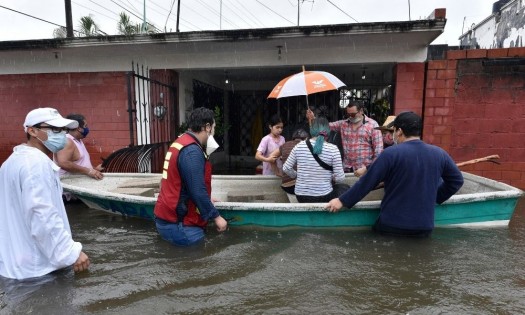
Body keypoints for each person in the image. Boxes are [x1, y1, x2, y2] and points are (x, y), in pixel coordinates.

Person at [326, 111, 464, 237]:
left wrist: (342, 201)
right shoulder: (439, 153)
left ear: (399, 132)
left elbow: (367, 182)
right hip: (424, 226)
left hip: (393, 224)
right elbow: (457, 181)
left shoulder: (391, 154)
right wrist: (436, 197)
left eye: (393, 131)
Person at [0, 107, 90, 280]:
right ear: (32, 131)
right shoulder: (35, 165)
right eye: (55, 130)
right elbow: (41, 214)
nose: (62, 135)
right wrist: (70, 252)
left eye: (64, 130)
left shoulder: (12, 162)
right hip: (37, 270)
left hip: (14, 265)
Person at [154, 107, 227, 247]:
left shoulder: (180, 142)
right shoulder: (192, 151)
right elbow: (197, 190)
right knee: (196, 263)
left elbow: (170, 181)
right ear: (207, 127)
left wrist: (206, 197)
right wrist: (217, 217)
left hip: (166, 219)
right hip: (181, 226)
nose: (214, 131)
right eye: (213, 127)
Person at [307, 101, 383, 175]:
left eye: (353, 114)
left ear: (361, 111)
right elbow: (326, 126)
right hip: (347, 169)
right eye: (348, 114)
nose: (350, 117)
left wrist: (369, 168)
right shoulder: (344, 124)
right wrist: (313, 118)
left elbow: (378, 151)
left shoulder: (373, 125)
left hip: (364, 170)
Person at [283, 117, 348, 203]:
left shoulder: (299, 146)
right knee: (345, 188)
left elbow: (286, 168)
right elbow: (340, 178)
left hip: (301, 196)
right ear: (328, 131)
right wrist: (331, 178)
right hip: (324, 196)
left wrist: (297, 175)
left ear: (311, 130)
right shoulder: (333, 149)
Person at [54, 113, 104, 180]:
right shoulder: (67, 141)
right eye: (85, 126)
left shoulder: (78, 140)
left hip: (79, 183)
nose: (87, 128)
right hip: (69, 186)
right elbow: (63, 163)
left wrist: (95, 169)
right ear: (79, 128)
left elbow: (81, 163)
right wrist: (88, 171)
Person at [268, 128, 310, 194]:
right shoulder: (307, 146)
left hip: (286, 187)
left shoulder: (285, 145)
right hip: (302, 187)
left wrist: (277, 172)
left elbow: (271, 157)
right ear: (306, 138)